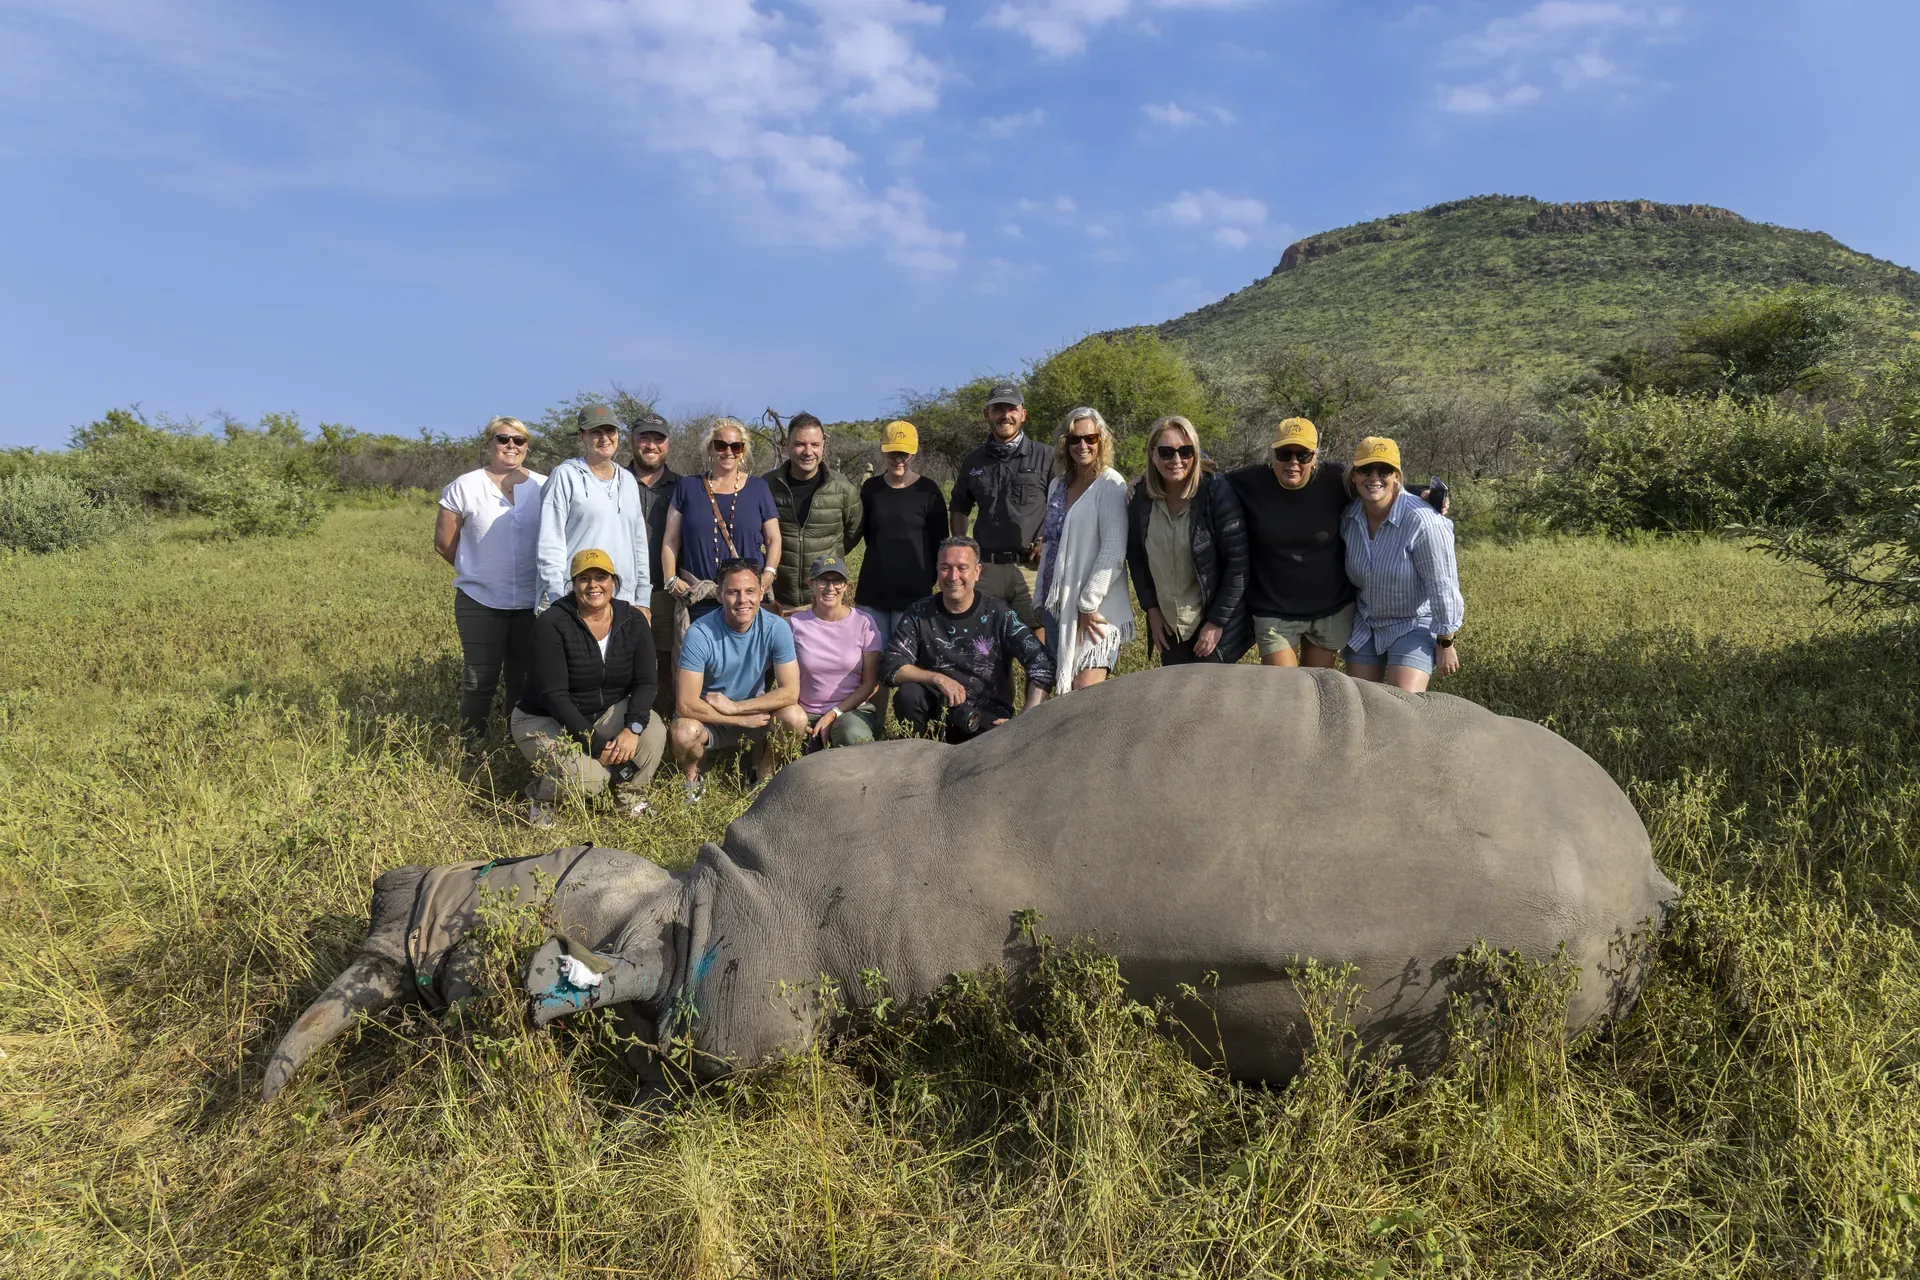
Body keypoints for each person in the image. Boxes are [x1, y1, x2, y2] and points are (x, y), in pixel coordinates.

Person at [511, 549, 667, 826]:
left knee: (653, 729)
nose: (593, 585)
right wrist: (594, 745)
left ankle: (628, 796)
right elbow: (554, 696)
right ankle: (540, 796)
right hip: (544, 719)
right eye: (584, 578)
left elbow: (645, 681)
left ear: (613, 583)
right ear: (573, 584)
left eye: (601, 577)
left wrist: (633, 728)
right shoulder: (552, 623)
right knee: (593, 781)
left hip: (604, 712)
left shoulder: (633, 621)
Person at [434, 416, 547, 740]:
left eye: (519, 440)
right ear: (490, 443)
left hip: (531, 601)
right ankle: (471, 746)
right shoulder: (465, 486)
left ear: (527, 446)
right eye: (503, 439)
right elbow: (444, 543)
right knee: (478, 679)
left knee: (523, 679)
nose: (511, 445)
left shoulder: (543, 485)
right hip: (479, 600)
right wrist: (478, 569)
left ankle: (516, 746)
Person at [884, 537, 1055, 743]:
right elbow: (890, 666)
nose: (953, 576)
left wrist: (1026, 721)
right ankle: (914, 759)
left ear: (977, 571)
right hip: (934, 718)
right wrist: (937, 679)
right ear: (937, 569)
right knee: (908, 693)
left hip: (986, 719)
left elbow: (1042, 665)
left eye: (962, 568)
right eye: (945, 567)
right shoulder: (918, 613)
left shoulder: (999, 613)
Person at [1226, 417, 1354, 669]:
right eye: (1284, 453)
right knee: (1284, 692)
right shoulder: (1249, 482)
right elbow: (1199, 478)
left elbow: (1380, 486)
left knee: (1317, 689)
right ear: (1273, 453)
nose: (1293, 462)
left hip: (1329, 610)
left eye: (1303, 455)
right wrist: (1144, 483)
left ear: (1315, 456)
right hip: (1274, 613)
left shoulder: (1337, 480)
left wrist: (1425, 494)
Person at [1125, 415, 1252, 666]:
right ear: (1152, 454)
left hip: (1213, 621)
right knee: (1174, 698)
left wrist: (1216, 623)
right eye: (1166, 452)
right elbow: (1137, 558)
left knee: (1208, 697)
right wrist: (1150, 609)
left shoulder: (1215, 492)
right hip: (1171, 625)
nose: (1176, 460)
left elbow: (1238, 565)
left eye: (1185, 451)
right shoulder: (1141, 498)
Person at [670, 559, 802, 801]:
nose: (743, 600)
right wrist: (738, 719)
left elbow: (790, 692)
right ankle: (692, 779)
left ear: (762, 592)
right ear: (720, 595)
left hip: (754, 713)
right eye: (733, 592)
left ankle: (763, 774)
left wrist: (738, 708)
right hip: (711, 716)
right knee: (683, 732)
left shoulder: (777, 627)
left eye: (750, 591)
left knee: (795, 717)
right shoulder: (700, 633)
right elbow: (686, 704)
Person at [1342, 436, 1465, 693]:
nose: (1374, 477)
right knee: (1361, 703)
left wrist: (1445, 642)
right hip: (1366, 623)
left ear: (1396, 476)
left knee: (1403, 706)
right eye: (1365, 469)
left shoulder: (1423, 520)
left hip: (1413, 623)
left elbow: (1443, 583)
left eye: (1384, 470)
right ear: (1354, 475)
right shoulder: (1349, 516)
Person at [850, 418, 947, 729]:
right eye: (893, 453)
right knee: (872, 665)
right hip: (873, 593)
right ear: (883, 452)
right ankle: (873, 728)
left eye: (904, 453)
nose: (898, 460)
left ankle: (912, 729)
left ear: (914, 454)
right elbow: (861, 534)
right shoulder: (871, 489)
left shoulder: (929, 492)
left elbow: (940, 543)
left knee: (909, 667)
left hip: (914, 595)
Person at [1034, 407, 1134, 690]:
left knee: (1084, 694)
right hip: (1059, 603)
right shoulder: (1057, 485)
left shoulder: (1110, 484)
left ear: (1101, 440)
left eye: (1090, 438)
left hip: (1094, 608)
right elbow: (1051, 543)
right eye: (1074, 439)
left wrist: (1087, 604)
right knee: (1065, 699)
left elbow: (1114, 552)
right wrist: (1041, 595)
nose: (1083, 445)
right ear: (1064, 443)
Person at [948, 382, 1053, 631]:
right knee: (988, 647)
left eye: (1011, 409)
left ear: (1023, 414)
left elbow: (1064, 504)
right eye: (998, 409)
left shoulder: (1046, 457)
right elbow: (959, 506)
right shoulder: (973, 461)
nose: (1005, 415)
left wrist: (1047, 539)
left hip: (1030, 569)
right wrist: (963, 550)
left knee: (1037, 647)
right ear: (987, 414)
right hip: (986, 570)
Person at [661, 418, 780, 627]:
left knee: (750, 659)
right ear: (710, 448)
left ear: (743, 451)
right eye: (721, 445)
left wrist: (769, 573)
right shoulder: (688, 487)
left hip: (747, 601)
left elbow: (773, 539)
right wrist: (670, 579)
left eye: (736, 446)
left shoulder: (758, 488)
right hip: (700, 599)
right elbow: (671, 539)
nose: (728, 452)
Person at [535, 405, 651, 614]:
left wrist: (642, 599)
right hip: (575, 600)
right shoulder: (564, 476)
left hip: (623, 602)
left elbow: (639, 543)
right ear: (581, 436)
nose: (605, 438)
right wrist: (558, 600)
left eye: (610, 431)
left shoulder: (628, 481)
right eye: (596, 431)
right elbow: (549, 542)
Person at [763, 412, 862, 614]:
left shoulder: (842, 488)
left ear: (823, 445)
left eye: (815, 445)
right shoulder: (766, 486)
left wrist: (830, 555)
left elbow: (855, 530)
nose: (808, 452)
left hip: (823, 603)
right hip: (778, 602)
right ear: (787, 444)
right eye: (800, 444)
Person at [782, 554, 883, 748]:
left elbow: (870, 683)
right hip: (805, 713)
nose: (830, 588)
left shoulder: (864, 623)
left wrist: (833, 714)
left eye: (837, 581)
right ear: (811, 583)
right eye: (823, 580)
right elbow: (782, 678)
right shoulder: (794, 624)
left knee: (851, 735)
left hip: (851, 711)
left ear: (845, 585)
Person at [628, 411, 682, 717]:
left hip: (664, 592)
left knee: (664, 665)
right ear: (633, 441)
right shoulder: (614, 481)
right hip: (619, 591)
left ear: (668, 445)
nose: (651, 445)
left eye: (657, 439)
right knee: (622, 665)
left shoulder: (684, 487)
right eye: (644, 437)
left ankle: (659, 732)